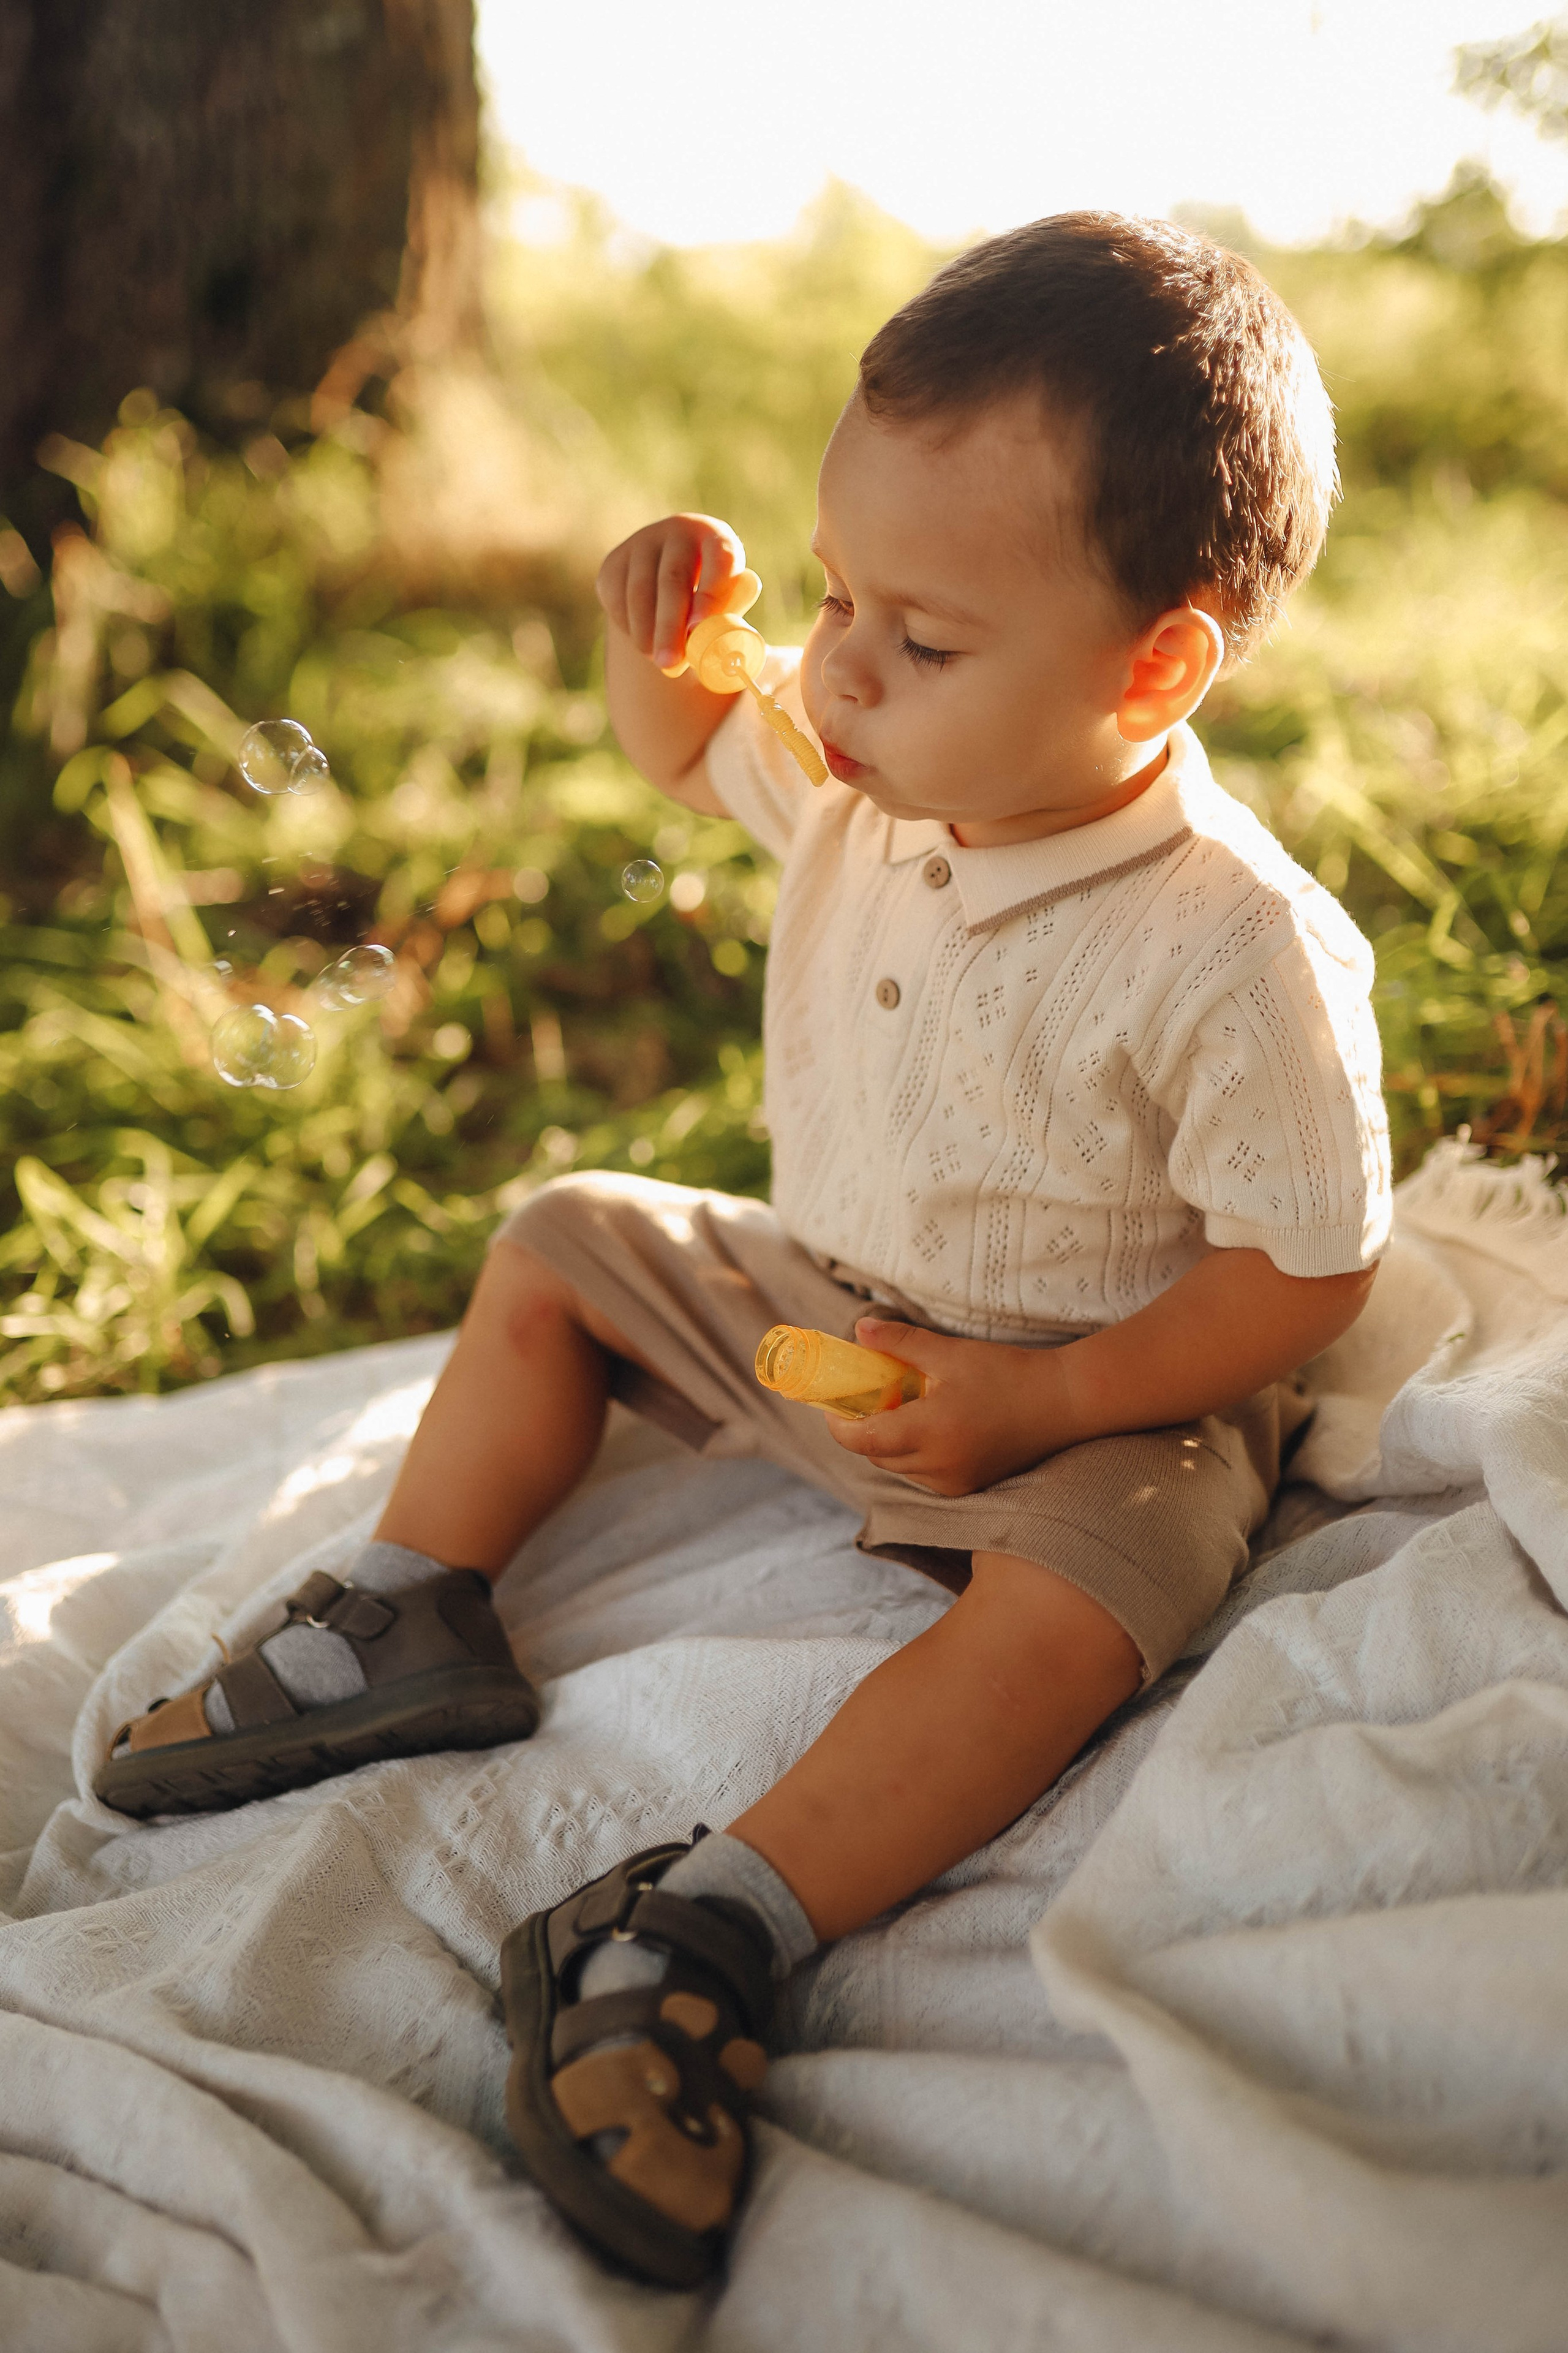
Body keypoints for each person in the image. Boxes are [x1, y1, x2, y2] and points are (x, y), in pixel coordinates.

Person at [98, 213, 1390, 2288]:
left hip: (1089, 1381)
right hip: (821, 1314)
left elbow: (1310, 1270)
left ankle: (698, 1920)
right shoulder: (878, 775)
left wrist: (1054, 1397)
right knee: (563, 1238)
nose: (842, 669)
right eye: (839, 591)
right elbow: (686, 743)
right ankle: (414, 1601)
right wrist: (655, 643)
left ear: (1153, 666)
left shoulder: (1236, 951)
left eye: (924, 633)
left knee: (1091, 1600)